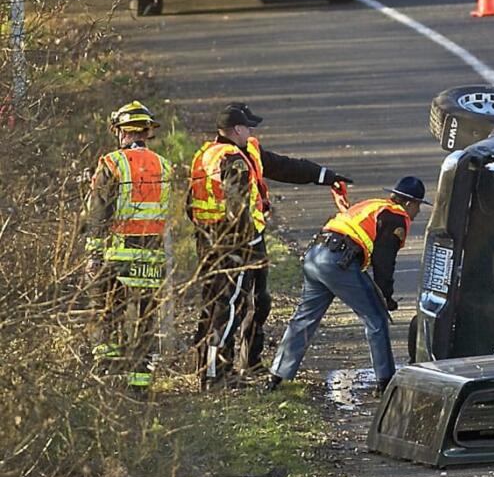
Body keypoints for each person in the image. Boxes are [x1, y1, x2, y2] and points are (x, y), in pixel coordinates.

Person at [187, 102, 352, 387]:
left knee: (257, 302)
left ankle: (248, 361)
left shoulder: (237, 152)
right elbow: (234, 207)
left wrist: (325, 176)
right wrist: (240, 244)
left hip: (232, 241)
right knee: (226, 307)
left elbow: (283, 166)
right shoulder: (229, 159)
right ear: (236, 129)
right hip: (232, 246)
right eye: (248, 126)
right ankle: (215, 375)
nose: (251, 130)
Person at [266, 175, 430, 394]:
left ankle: (276, 376)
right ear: (409, 203)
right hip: (338, 262)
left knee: (305, 318)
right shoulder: (396, 217)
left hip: (315, 255)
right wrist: (385, 297)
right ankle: (385, 382)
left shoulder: (374, 205)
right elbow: (384, 261)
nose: (417, 212)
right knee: (376, 319)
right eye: (418, 206)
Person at [85, 101, 173, 389]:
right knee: (144, 319)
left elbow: (100, 211)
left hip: (115, 255)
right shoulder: (164, 165)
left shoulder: (111, 163)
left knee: (107, 312)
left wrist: (93, 254)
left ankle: (106, 376)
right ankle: (140, 383)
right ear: (148, 131)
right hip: (150, 257)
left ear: (120, 131)